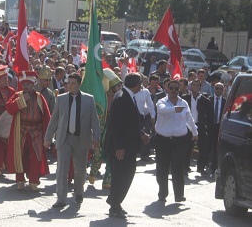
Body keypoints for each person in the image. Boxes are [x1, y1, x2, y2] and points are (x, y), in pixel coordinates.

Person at [44, 72, 100, 208]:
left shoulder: (89, 99)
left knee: (80, 170)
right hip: (64, 138)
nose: (70, 86)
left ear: (79, 84)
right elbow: (54, 119)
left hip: (82, 139)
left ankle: (79, 192)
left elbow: (95, 121)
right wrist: (48, 138)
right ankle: (61, 198)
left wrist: (96, 138)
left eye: (73, 83)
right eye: (68, 83)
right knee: (61, 169)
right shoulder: (61, 99)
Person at [105, 73, 149, 218]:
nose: (141, 86)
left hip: (129, 145)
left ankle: (116, 203)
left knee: (126, 174)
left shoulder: (127, 96)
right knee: (122, 175)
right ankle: (114, 204)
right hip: (122, 147)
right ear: (136, 85)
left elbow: (130, 122)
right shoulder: (122, 97)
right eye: (140, 83)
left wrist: (141, 134)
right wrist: (120, 147)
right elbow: (117, 125)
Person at [5, 70, 51, 191]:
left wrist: (49, 135)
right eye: (24, 84)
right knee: (19, 155)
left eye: (29, 84)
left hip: (37, 131)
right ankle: (20, 180)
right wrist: (21, 100)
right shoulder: (17, 96)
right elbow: (9, 108)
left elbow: (47, 115)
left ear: (33, 84)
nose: (26, 86)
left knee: (36, 155)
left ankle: (34, 181)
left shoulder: (39, 97)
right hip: (21, 129)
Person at [155, 80, 198, 202]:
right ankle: (163, 192)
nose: (174, 91)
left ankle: (179, 195)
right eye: (171, 88)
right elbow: (162, 110)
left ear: (180, 90)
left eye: (176, 89)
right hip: (163, 140)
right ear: (167, 89)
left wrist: (195, 133)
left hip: (179, 141)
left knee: (178, 168)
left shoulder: (183, 103)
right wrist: (174, 109)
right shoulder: (161, 102)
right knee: (162, 168)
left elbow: (189, 119)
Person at [183, 79, 213, 174]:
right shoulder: (185, 98)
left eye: (197, 85)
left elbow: (209, 116)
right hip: (188, 126)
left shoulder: (205, 100)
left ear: (200, 87)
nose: (195, 87)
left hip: (200, 126)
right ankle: (185, 167)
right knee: (187, 147)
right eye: (193, 85)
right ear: (191, 87)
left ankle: (200, 168)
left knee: (203, 147)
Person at [209, 82, 226, 174]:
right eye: (217, 88)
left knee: (216, 147)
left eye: (220, 89)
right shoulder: (209, 99)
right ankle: (205, 165)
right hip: (210, 126)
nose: (218, 90)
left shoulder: (225, 101)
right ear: (214, 89)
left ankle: (214, 166)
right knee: (207, 146)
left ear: (223, 90)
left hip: (219, 127)